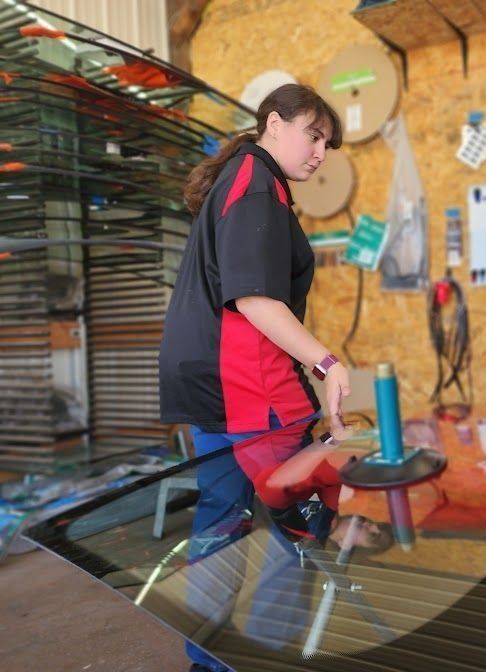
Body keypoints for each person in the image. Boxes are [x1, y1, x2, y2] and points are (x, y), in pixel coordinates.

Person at [158, 83, 352, 672]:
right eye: (312, 134)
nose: (319, 152)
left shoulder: (245, 180)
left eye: (327, 143)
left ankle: (210, 659)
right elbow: (254, 300)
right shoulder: (257, 184)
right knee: (285, 525)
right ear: (274, 122)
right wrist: (326, 363)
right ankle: (252, 657)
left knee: (223, 519)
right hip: (244, 388)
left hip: (214, 382)